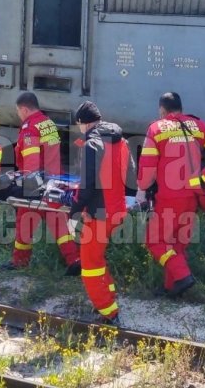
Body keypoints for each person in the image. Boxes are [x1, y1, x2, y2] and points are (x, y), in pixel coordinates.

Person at [136, 92, 205, 298]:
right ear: (181, 108)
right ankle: (172, 288)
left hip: (169, 197)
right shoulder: (197, 125)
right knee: (177, 243)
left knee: (155, 241)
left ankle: (183, 276)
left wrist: (142, 189)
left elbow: (147, 166)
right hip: (194, 195)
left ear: (162, 110)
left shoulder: (156, 129)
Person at [60, 101, 135, 325]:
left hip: (98, 214)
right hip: (117, 209)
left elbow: (87, 185)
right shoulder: (121, 140)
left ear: (83, 123)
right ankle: (109, 297)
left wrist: (74, 208)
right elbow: (131, 175)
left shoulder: (91, 144)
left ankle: (109, 312)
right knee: (98, 257)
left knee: (89, 265)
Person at [3, 92, 80, 275]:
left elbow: (31, 160)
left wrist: (26, 182)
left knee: (25, 219)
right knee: (58, 221)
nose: (19, 115)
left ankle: (20, 261)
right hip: (55, 181)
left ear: (24, 109)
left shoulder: (30, 128)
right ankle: (74, 260)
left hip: (37, 185)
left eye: (18, 111)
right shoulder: (48, 122)